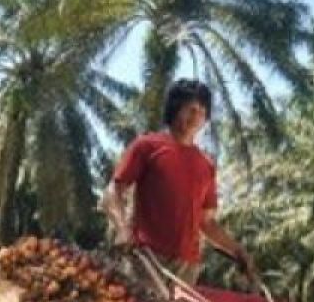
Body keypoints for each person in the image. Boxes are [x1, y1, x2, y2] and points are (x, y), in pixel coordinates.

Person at [101, 79, 256, 285]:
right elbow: (113, 192)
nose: (197, 116)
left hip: (187, 267)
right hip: (146, 258)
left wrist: (236, 250)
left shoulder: (206, 165)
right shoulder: (148, 146)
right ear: (175, 109)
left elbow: (206, 222)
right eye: (191, 109)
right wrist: (122, 229)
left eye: (202, 111)